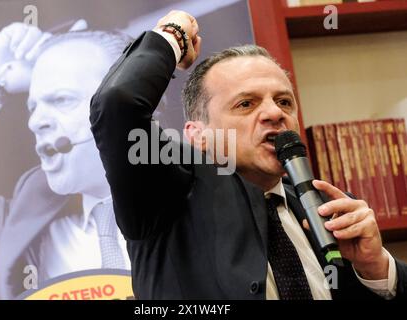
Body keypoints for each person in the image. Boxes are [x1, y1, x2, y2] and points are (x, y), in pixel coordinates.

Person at [90, 10, 407, 299]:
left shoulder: (328, 211)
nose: (274, 113)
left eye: (284, 102)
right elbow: (118, 104)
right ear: (197, 135)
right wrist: (173, 34)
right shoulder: (165, 196)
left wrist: (377, 269)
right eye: (246, 104)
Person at [0, 22, 132, 299]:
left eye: (62, 100)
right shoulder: (23, 231)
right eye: (32, 107)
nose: (36, 122)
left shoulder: (213, 202)